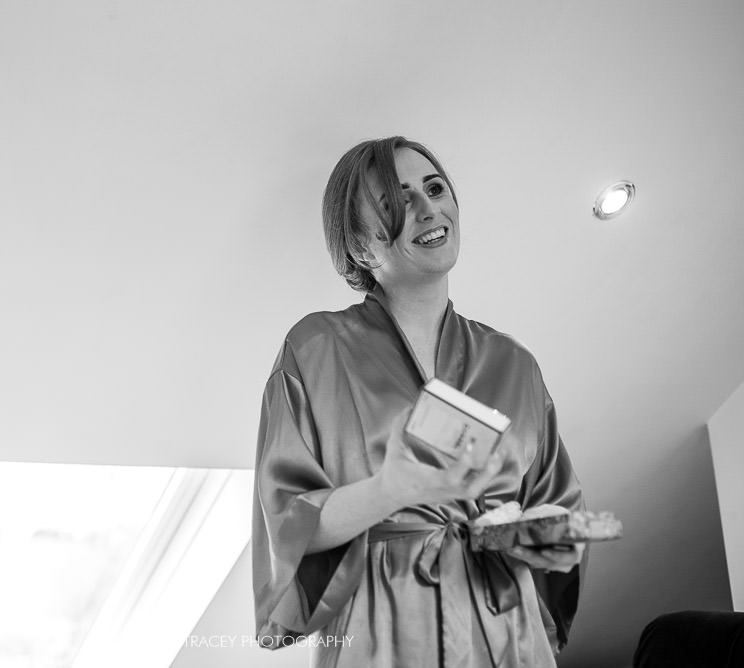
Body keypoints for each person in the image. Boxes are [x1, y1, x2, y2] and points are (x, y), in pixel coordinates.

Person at [251, 136, 588, 667]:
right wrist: (394, 486)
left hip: (506, 630)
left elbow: (561, 518)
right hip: (382, 628)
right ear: (360, 248)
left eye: (435, 188)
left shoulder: (514, 364)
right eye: (397, 201)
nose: (429, 208)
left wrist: (524, 534)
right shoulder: (315, 349)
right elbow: (288, 523)